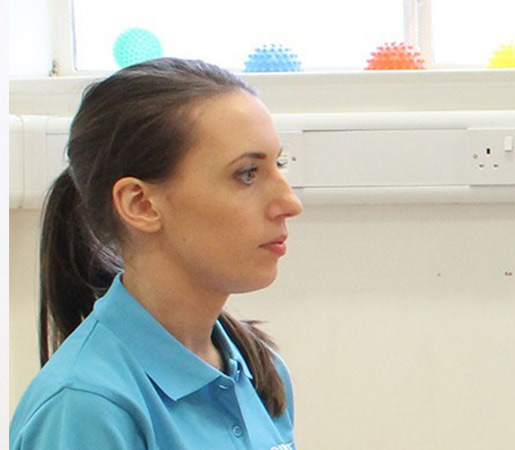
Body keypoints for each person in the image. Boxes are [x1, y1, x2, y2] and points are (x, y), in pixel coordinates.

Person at [10, 58, 302, 449]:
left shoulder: (260, 371)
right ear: (140, 204)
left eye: (278, 164)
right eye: (247, 173)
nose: (289, 202)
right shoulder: (85, 407)